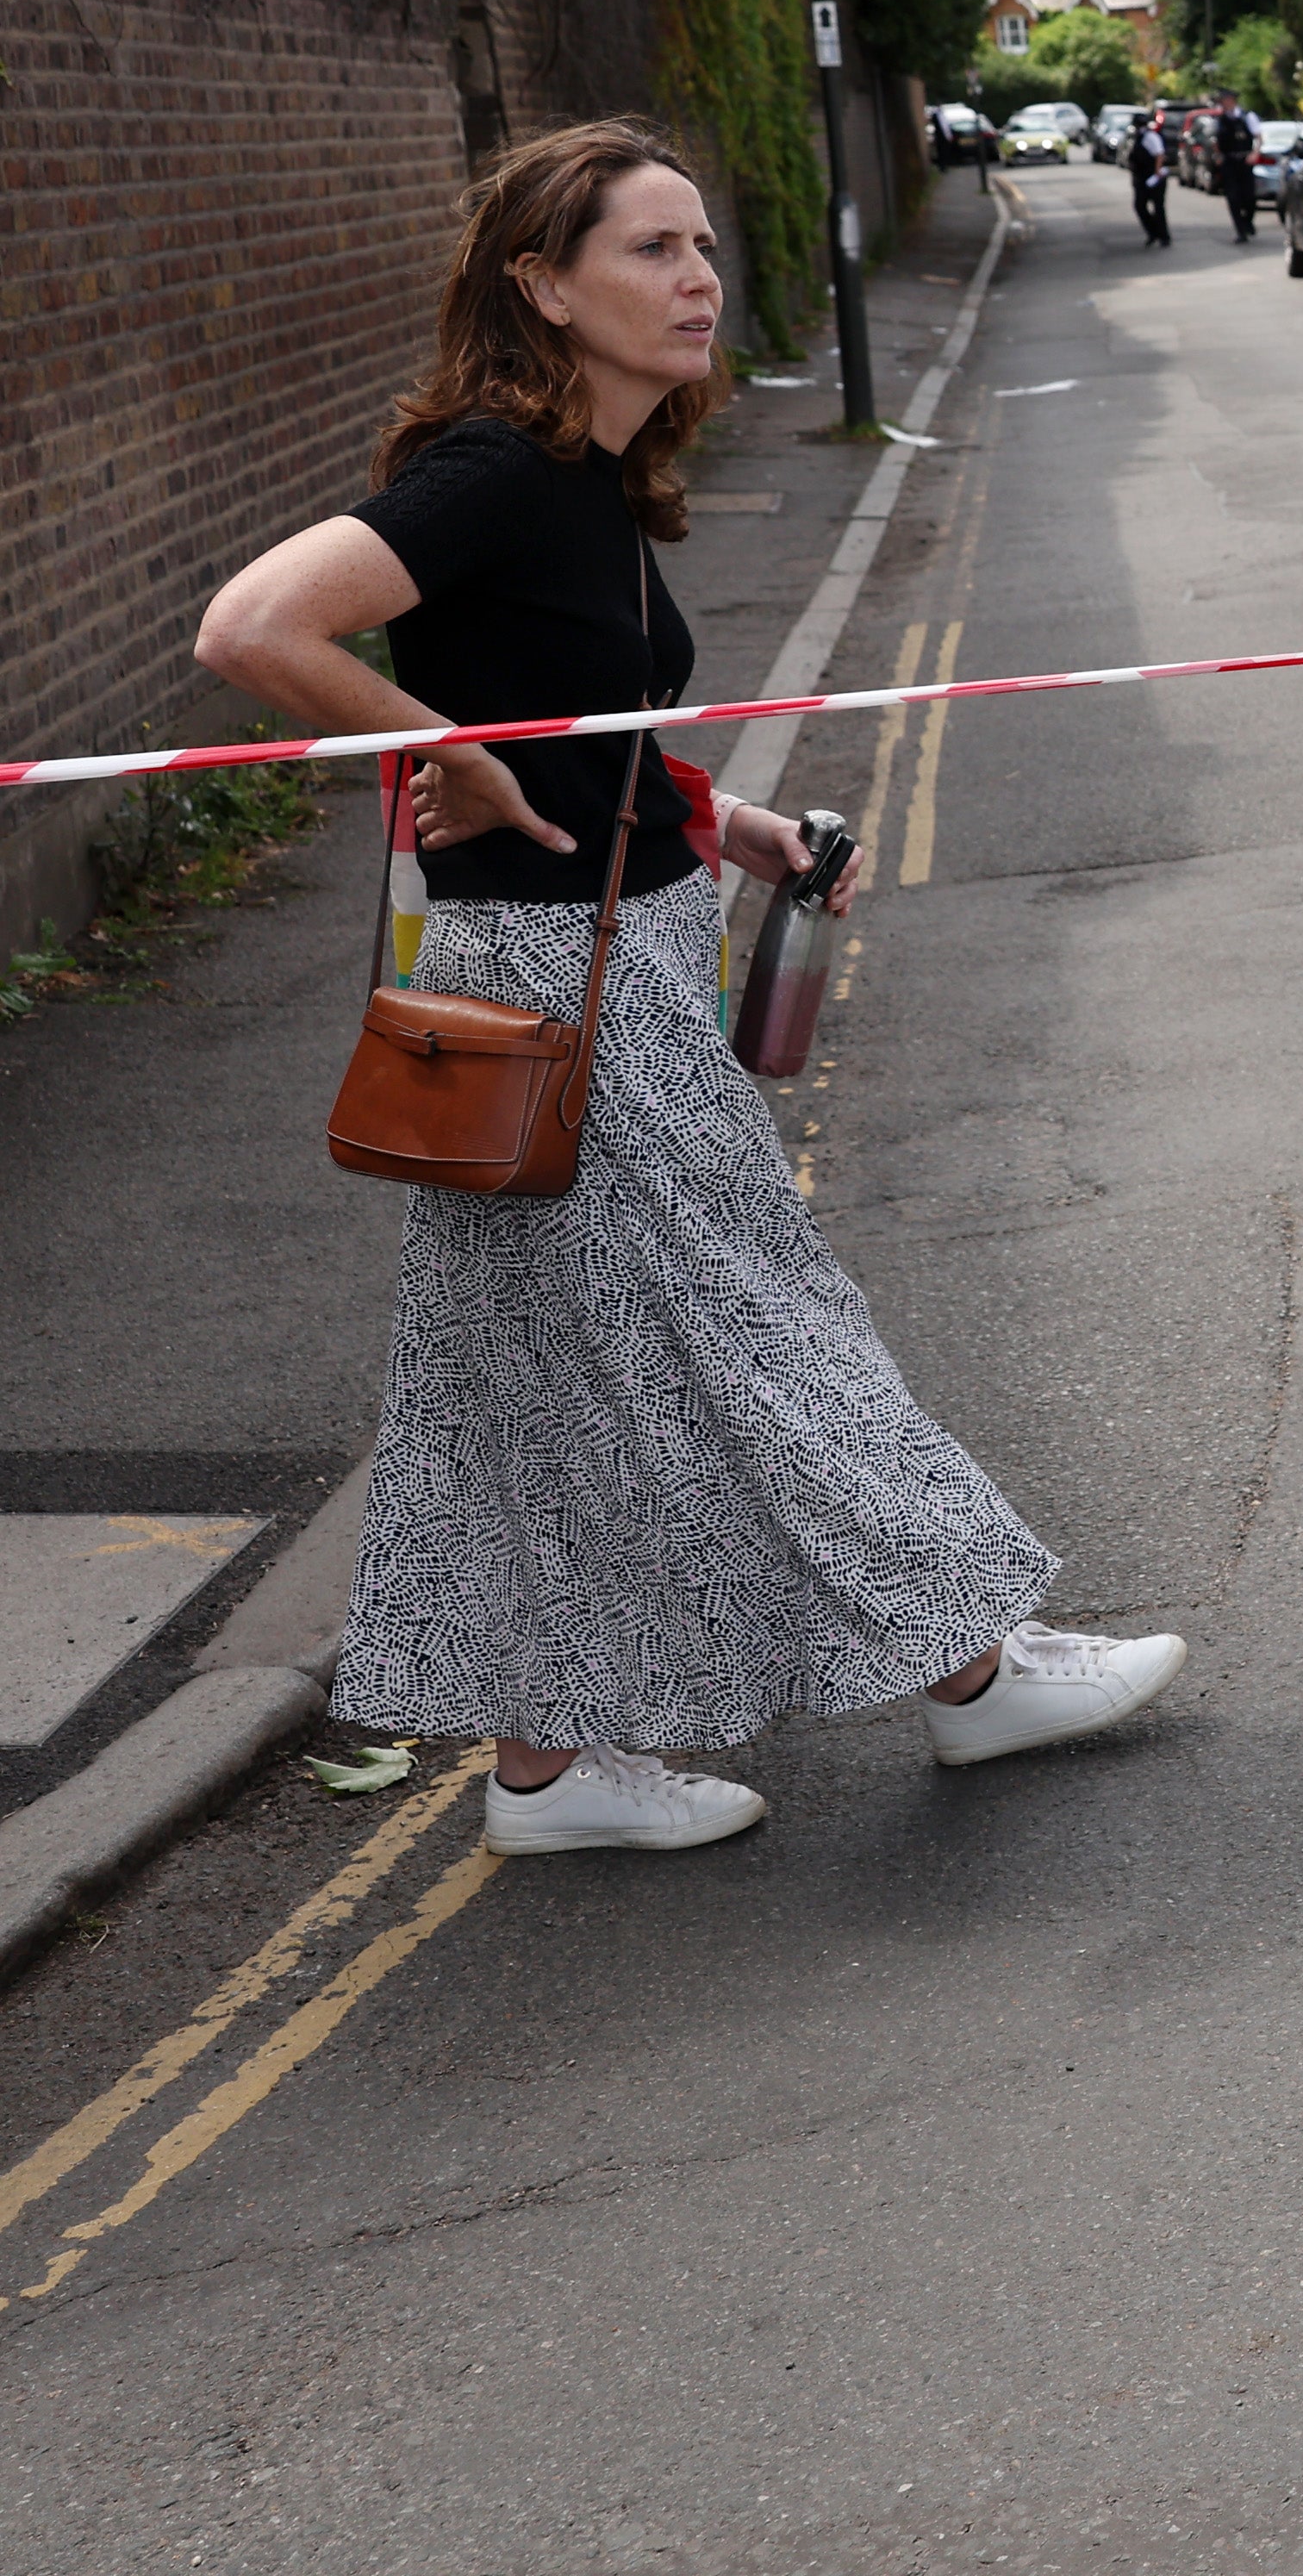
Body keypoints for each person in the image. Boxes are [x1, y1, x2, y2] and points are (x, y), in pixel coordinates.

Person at [190, 122, 1185, 1856]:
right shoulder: (494, 468)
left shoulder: (585, 478)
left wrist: (740, 828)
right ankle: (970, 1664)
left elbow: (594, 741)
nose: (699, 277)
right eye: (651, 249)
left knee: (531, 1376)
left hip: (606, 939)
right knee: (761, 1316)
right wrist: (461, 764)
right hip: (554, 978)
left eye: (702, 244)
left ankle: (550, 1769)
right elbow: (255, 623)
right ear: (540, 283)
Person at [1211, 105, 1261, 245]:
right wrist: (1218, 155)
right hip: (1229, 162)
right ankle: (1240, 231)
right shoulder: (1220, 120)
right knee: (1233, 198)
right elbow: (1216, 140)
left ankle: (1247, 222)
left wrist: (1255, 153)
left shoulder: (1247, 116)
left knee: (1249, 197)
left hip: (1245, 161)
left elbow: (1258, 137)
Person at [1128, 105, 1171, 248]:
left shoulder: (1150, 136)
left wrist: (1157, 171)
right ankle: (1154, 232)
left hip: (1154, 178)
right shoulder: (1139, 138)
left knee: (1158, 208)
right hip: (1143, 179)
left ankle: (1163, 236)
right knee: (1140, 206)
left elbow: (1160, 154)